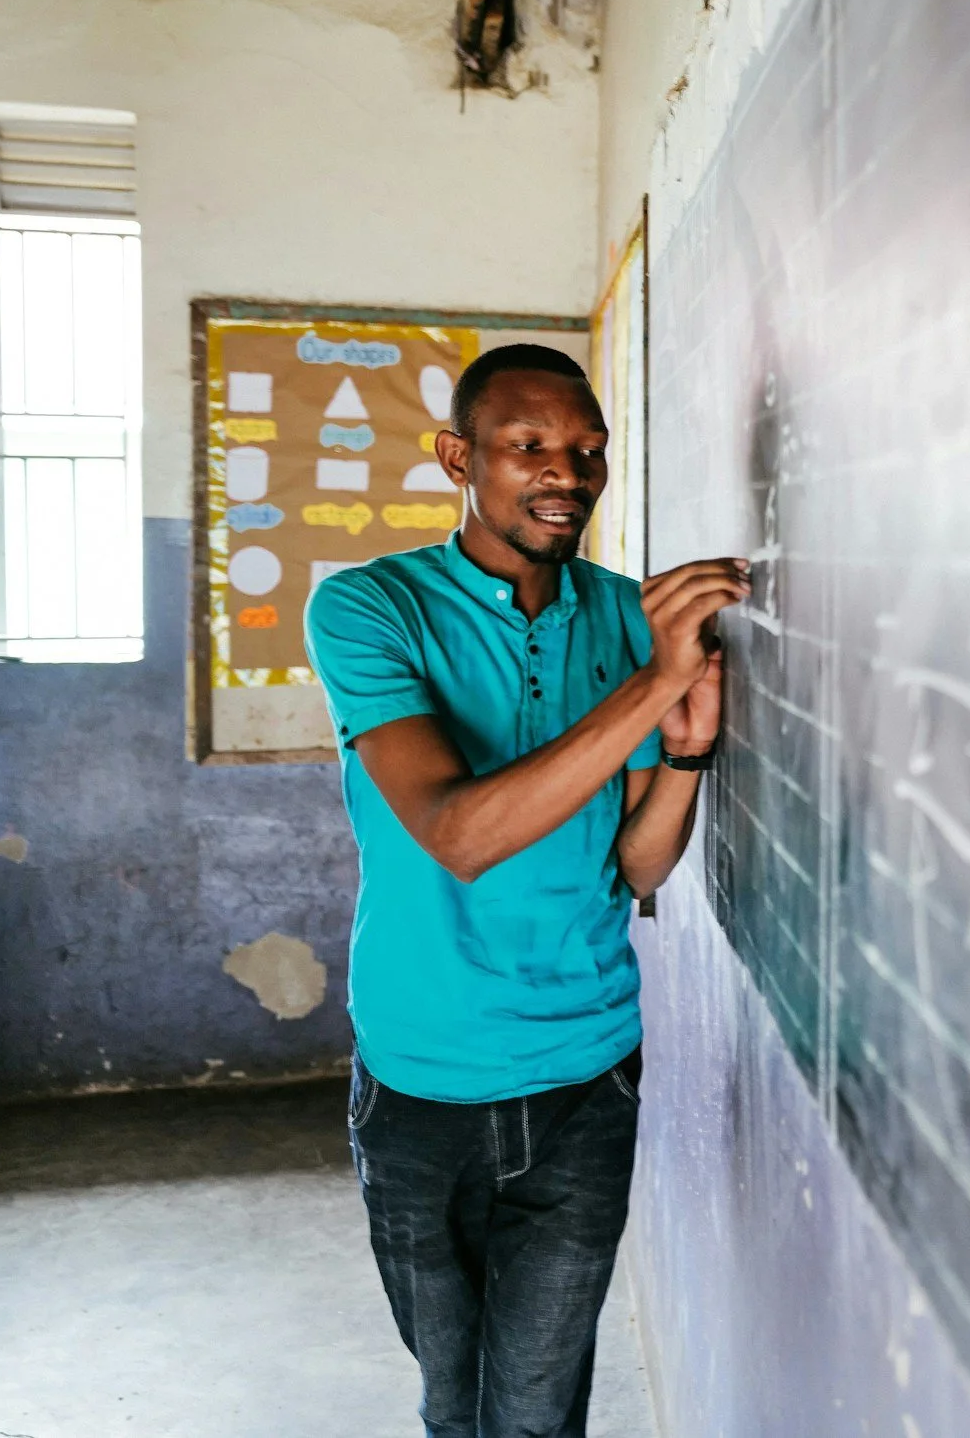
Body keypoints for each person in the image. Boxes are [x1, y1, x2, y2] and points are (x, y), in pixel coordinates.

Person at [304, 342, 748, 1438]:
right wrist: (653, 685)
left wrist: (683, 755)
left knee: (539, 1411)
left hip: (584, 1077)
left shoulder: (621, 614)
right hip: (420, 1080)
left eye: (587, 450)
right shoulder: (369, 609)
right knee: (456, 1403)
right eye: (530, 446)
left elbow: (638, 867)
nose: (567, 472)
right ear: (460, 456)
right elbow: (457, 834)